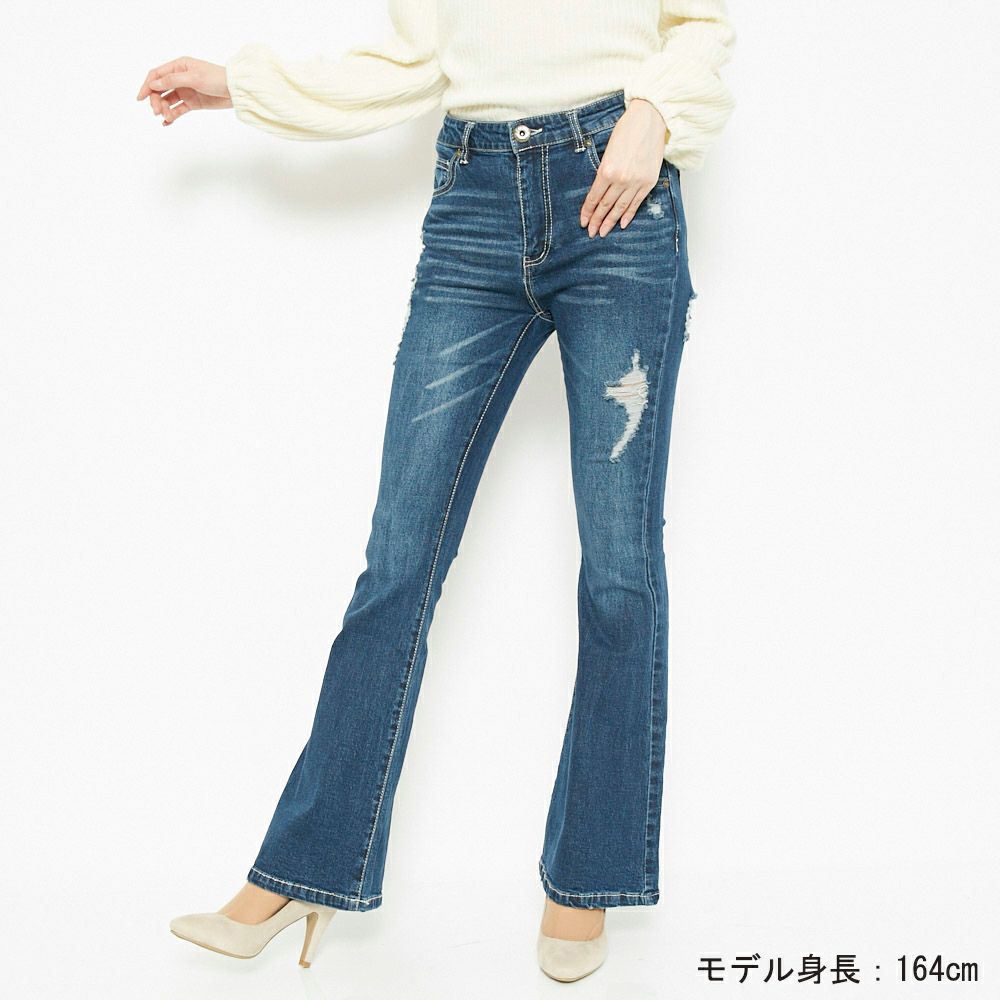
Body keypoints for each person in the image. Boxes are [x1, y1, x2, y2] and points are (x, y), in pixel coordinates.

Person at [136, 0, 736, 983]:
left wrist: (653, 114)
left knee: (618, 570)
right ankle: (302, 870)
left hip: (617, 202)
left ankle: (587, 879)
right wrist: (241, 84)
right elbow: (411, 59)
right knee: (398, 563)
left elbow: (699, 22)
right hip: (474, 204)